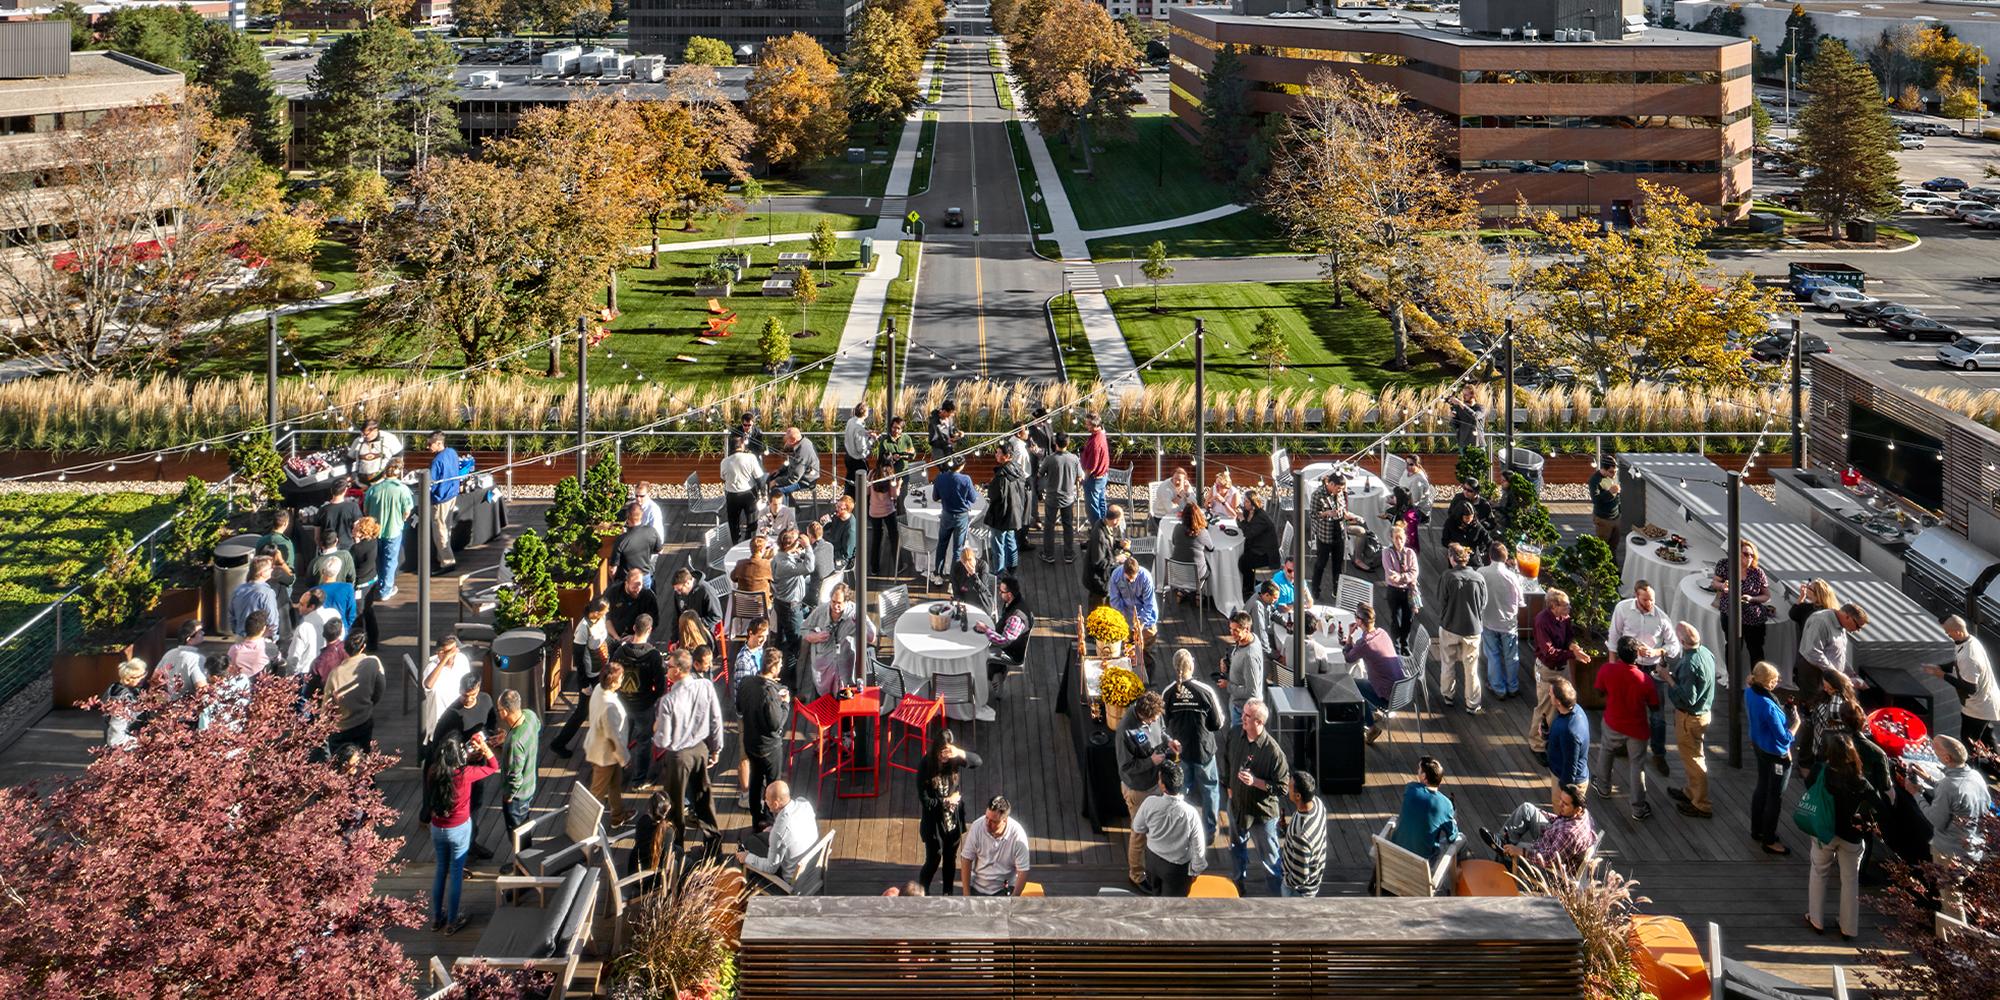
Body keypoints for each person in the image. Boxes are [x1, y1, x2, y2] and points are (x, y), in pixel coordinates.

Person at [422, 733, 498, 934]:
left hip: (438, 827)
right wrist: (484, 748)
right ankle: (453, 921)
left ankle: (437, 919)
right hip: (459, 828)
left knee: (440, 871)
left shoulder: (433, 771)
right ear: (458, 757)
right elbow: (493, 766)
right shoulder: (465, 774)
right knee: (456, 873)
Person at [652, 650, 725, 859]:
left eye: (669, 666)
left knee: (674, 807)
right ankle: (714, 850)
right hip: (700, 750)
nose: (666, 669)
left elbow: (663, 741)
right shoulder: (706, 686)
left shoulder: (668, 701)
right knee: (704, 800)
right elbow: (716, 719)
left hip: (678, 756)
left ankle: (677, 853)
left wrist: (655, 729)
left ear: (677, 670)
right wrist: (716, 748)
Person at [1805, 732, 1877, 941]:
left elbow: (1809, 786)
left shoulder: (1821, 771)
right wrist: (1862, 817)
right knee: (1850, 880)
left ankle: (1816, 919)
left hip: (1824, 831)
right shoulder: (1860, 781)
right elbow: (1878, 804)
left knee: (1819, 873)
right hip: (1851, 835)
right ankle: (1848, 927)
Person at [1609, 581, 1681, 777]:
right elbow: (1614, 637)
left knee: (1657, 716)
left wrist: (1657, 650)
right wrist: (1613, 666)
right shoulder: (1623, 609)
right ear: (1636, 596)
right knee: (1628, 708)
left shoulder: (1661, 618)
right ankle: (1625, 744)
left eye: (1652, 599)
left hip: (1652, 670)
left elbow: (1674, 647)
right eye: (1645, 599)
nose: (1650, 603)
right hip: (1629, 667)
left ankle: (1659, 753)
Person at [1223, 699, 1290, 895]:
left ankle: (1278, 898)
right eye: (1243, 713)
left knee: (1270, 861)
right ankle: (1237, 889)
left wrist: (1256, 782)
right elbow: (1226, 759)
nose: (1242, 718)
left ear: (1259, 722)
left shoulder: (1273, 753)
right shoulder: (1235, 734)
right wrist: (1228, 786)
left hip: (1261, 815)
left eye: (1247, 716)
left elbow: (1283, 788)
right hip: (1236, 806)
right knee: (1236, 849)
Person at [1162, 649, 1225, 844]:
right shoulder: (1205, 691)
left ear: (1175, 667)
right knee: (1210, 790)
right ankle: (1209, 831)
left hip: (1181, 751)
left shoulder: (1169, 692)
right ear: (1193, 665)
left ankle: (1184, 829)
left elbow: (1163, 724)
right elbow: (1218, 723)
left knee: (1181, 790)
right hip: (1204, 750)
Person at [1593, 636, 1659, 821]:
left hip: (1613, 722)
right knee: (1637, 766)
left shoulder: (1607, 670)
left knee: (1606, 751)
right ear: (1636, 656)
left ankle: (1603, 787)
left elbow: (1598, 692)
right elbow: (1655, 706)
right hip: (1637, 729)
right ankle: (1638, 808)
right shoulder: (1644, 679)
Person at [1115, 691, 1175, 888]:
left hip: (1156, 782)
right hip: (1138, 789)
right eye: (1153, 718)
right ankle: (1137, 875)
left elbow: (1162, 730)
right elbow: (1126, 767)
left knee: (1158, 827)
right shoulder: (1125, 730)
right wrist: (1150, 761)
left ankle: (1157, 866)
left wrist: (1169, 741)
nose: (1157, 720)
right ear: (1143, 715)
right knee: (1139, 832)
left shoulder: (1155, 714)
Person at [918, 731, 983, 895]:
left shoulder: (953, 759)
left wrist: (959, 752)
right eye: (942, 752)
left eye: (948, 752)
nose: (945, 757)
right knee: (933, 859)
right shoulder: (926, 765)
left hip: (952, 820)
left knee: (950, 859)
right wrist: (946, 801)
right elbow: (926, 802)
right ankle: (921, 892)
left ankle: (948, 893)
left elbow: (977, 761)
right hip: (934, 824)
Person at [1530, 589, 1591, 765]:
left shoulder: (1564, 618)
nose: (1569, 608)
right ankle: (1537, 744)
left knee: (1561, 705)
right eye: (1565, 605)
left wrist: (1574, 647)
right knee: (1545, 708)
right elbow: (1549, 653)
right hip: (1547, 670)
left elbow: (1569, 637)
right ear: (1553, 606)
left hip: (1561, 667)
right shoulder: (1542, 621)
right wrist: (1573, 656)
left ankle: (1552, 740)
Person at [1746, 661, 1801, 855]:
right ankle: (1768, 839)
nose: (1777, 682)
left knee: (1762, 786)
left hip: (1760, 746)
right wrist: (1797, 723)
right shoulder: (1768, 706)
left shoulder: (1750, 692)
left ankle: (1757, 829)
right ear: (1766, 682)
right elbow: (1784, 737)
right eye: (1774, 680)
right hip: (1776, 754)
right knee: (1775, 796)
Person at [1664, 621, 1717, 819]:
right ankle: (1692, 791)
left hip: (1690, 717)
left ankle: (1701, 804)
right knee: (1694, 755)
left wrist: (1667, 678)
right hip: (1703, 714)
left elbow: (1688, 698)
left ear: (1681, 641)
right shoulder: (1705, 653)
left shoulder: (1689, 664)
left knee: (1694, 760)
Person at [1131, 765, 1208, 897]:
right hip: (1176, 868)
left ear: (1163, 786)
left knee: (1155, 896)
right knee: (1174, 906)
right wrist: (1196, 870)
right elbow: (1198, 847)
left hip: (1152, 860)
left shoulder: (1150, 803)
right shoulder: (1190, 813)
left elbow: (1138, 827)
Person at [1485, 782, 1599, 870]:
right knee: (1527, 809)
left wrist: (1520, 851)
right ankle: (1500, 841)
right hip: (1553, 836)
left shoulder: (1569, 834)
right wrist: (1538, 812)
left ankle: (1500, 862)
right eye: (1561, 800)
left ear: (1577, 809)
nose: (1560, 805)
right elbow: (1559, 820)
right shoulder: (1583, 813)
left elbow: (1549, 860)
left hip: (1547, 856)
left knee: (1511, 847)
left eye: (1565, 804)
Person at [1915, 734, 1992, 863]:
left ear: (1947, 758)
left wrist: (1916, 794)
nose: (1934, 754)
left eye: (1936, 752)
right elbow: (1956, 795)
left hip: (1951, 853)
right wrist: (1928, 779)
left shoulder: (1948, 786)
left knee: (1946, 884)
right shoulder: (1975, 775)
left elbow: (1937, 821)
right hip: (1973, 847)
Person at [549, 599, 612, 757]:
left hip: (602, 669)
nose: (606, 614)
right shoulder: (583, 629)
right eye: (604, 612)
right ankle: (558, 743)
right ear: (596, 612)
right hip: (590, 675)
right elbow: (578, 657)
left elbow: (604, 639)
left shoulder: (600, 619)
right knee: (582, 712)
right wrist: (584, 683)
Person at [735, 645, 790, 822]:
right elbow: (776, 724)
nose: (781, 667)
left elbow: (739, 707)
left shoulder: (746, 682)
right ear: (773, 668)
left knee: (755, 781)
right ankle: (769, 818)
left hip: (751, 743)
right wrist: (784, 704)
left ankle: (756, 818)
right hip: (769, 748)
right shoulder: (770, 693)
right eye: (779, 664)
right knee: (772, 783)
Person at [1930, 616, 2000, 748]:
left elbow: (1970, 688)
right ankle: (1995, 763)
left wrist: (1943, 675)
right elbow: (1958, 664)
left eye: (1948, 632)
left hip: (1978, 707)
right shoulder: (1970, 641)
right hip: (1986, 703)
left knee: (1969, 742)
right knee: (1987, 738)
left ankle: (1972, 766)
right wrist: (1942, 667)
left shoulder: (1969, 656)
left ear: (1958, 632)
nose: (1947, 634)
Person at [1342, 603, 1406, 742]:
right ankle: (1372, 710)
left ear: (1359, 621)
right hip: (1402, 690)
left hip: (1387, 697)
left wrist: (1349, 637)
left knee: (1351, 685)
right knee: (1363, 681)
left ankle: (1371, 727)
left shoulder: (1364, 644)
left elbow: (1348, 657)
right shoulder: (1382, 632)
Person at [737, 781, 820, 888]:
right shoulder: (804, 803)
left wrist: (747, 857)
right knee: (758, 839)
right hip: (812, 870)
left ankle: (744, 883)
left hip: (793, 880)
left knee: (749, 844)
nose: (764, 801)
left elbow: (770, 867)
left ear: (775, 804)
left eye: (766, 799)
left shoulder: (779, 831)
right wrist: (774, 831)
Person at [1437, 543, 1488, 716]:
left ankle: (1448, 695)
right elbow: (1483, 603)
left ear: (1451, 558)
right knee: (1471, 668)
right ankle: (1472, 703)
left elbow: (1441, 600)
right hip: (1472, 629)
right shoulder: (1478, 578)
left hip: (1450, 626)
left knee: (1448, 662)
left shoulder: (1447, 576)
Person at [801, 582, 874, 699]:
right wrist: (816, 636)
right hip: (823, 666)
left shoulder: (855, 612)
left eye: (839, 603)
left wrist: (860, 625)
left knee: (844, 700)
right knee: (823, 697)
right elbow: (804, 629)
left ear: (847, 601)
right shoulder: (821, 611)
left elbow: (871, 638)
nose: (835, 606)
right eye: (833, 602)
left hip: (845, 667)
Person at [1711, 539, 1775, 669]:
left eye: (1752, 555)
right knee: (1733, 647)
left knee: (1756, 650)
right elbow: (1714, 583)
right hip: (1731, 614)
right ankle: (1732, 678)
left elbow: (1766, 596)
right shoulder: (1724, 565)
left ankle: (1758, 682)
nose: (1749, 557)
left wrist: (1752, 598)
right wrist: (1723, 586)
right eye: (1745, 554)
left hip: (1753, 617)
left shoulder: (1757, 573)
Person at [585, 658, 633, 827]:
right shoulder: (610, 706)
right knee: (597, 792)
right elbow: (614, 736)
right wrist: (625, 758)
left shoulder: (598, 689)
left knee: (615, 784)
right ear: (614, 683)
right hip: (604, 756)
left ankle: (617, 815)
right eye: (620, 678)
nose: (622, 680)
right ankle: (586, 827)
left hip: (600, 750)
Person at [322, 633, 385, 752]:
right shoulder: (373, 663)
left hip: (341, 727)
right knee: (362, 756)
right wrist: (370, 702)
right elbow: (380, 687)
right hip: (363, 720)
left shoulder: (335, 673)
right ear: (363, 646)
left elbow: (327, 705)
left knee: (339, 761)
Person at [495, 688, 540, 854]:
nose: (499, 712)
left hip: (517, 797)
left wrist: (508, 796)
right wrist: (505, 738)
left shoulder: (515, 742)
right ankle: (525, 861)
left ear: (505, 711)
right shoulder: (530, 716)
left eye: (499, 709)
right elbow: (537, 728)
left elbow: (515, 778)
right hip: (530, 786)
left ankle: (522, 865)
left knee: (517, 833)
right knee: (525, 827)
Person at [1478, 542, 1525, 701]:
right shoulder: (1511, 576)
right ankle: (1513, 686)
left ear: (1490, 556)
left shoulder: (1481, 572)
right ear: (1506, 558)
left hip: (1488, 620)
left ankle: (1498, 688)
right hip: (1508, 623)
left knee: (1493, 655)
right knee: (1511, 656)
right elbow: (1520, 601)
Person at [959, 795, 1032, 896]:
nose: (987, 823)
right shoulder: (977, 827)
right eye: (986, 818)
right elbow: (966, 859)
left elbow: (1023, 871)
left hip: (1004, 888)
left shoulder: (1018, 836)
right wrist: (966, 895)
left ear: (1005, 820)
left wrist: (1013, 899)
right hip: (977, 887)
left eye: (993, 821)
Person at [1389, 757, 1458, 861]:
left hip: (1395, 855)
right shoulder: (1445, 804)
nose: (1417, 772)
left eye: (1419, 770)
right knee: (1462, 840)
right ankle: (1461, 873)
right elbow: (1452, 837)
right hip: (1421, 865)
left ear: (1424, 777)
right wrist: (1452, 817)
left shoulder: (1411, 788)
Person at [768, 528, 816, 676]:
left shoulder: (780, 557)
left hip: (782, 604)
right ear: (790, 545)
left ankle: (777, 668)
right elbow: (809, 567)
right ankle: (793, 676)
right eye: (797, 540)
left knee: (782, 638)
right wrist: (808, 547)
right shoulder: (784, 565)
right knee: (795, 643)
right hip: (791, 609)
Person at [362, 466, 414, 600]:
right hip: (393, 529)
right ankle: (385, 590)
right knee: (390, 560)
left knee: (377, 558)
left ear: (385, 473)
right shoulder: (403, 489)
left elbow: (365, 510)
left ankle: (377, 585)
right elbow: (407, 511)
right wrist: (400, 519)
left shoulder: (373, 489)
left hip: (374, 531)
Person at [1797, 601, 1869, 694]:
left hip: (1829, 677)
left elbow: (1838, 654)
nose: (1858, 630)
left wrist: (1851, 673)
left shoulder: (1842, 626)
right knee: (1815, 706)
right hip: (1815, 674)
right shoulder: (1821, 621)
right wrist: (1836, 674)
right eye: (1858, 626)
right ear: (1847, 617)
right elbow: (1812, 652)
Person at [974, 576, 1032, 691]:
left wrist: (986, 629)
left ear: (1009, 594)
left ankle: (981, 684)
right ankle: (996, 673)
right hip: (1007, 642)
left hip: (1011, 651)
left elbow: (1004, 641)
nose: (999, 594)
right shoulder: (1015, 601)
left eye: (1002, 592)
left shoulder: (1016, 617)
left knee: (978, 654)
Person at [1309, 474, 1361, 595]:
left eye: (1342, 489)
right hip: (1325, 535)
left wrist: (1347, 516)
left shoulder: (1340, 493)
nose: (1340, 491)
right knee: (1321, 563)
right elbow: (1312, 515)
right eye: (1338, 488)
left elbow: (1342, 510)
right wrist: (1326, 513)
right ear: (1331, 484)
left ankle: (1336, 590)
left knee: (1338, 564)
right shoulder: (1317, 495)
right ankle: (1315, 588)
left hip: (1339, 533)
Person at [983, 442, 1031, 575]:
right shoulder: (1018, 469)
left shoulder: (1001, 477)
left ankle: (999, 572)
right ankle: (1012, 566)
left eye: (998, 453)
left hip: (1001, 515)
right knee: (1010, 540)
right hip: (1015, 513)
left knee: (998, 544)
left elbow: (993, 496)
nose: (996, 455)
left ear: (1007, 456)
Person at [931, 457, 979, 585]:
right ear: (961, 466)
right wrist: (965, 502)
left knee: (942, 545)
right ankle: (954, 580)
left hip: (946, 515)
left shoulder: (940, 478)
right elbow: (973, 499)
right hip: (961, 517)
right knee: (958, 549)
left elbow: (935, 497)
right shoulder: (965, 479)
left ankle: (938, 575)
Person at [419, 634, 472, 748]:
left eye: (455, 649)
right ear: (440, 652)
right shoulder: (431, 667)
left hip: (460, 720)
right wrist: (444, 660)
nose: (454, 653)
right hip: (440, 725)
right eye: (450, 651)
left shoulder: (462, 659)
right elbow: (428, 685)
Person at [1280, 771, 1328, 898]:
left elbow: (1300, 878)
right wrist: (1288, 830)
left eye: (1289, 787)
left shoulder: (1301, 836)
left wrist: (1286, 882)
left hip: (1298, 892)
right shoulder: (1318, 804)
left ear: (1298, 796)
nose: (1287, 787)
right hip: (1314, 878)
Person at [1040, 430, 1083, 563]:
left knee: (1049, 526)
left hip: (1052, 497)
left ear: (1055, 443)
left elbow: (1040, 474)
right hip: (1068, 498)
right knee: (1068, 526)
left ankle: (1049, 554)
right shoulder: (1074, 459)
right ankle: (1068, 554)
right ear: (1068, 444)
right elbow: (1080, 476)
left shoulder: (1050, 459)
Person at [1220, 611, 1264, 726]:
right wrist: (1229, 664)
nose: (1232, 633)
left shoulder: (1250, 657)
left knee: (1238, 742)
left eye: (1236, 631)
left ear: (1247, 629)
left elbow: (1252, 692)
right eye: (1231, 629)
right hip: (1236, 704)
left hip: (1244, 712)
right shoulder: (1248, 639)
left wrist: (1228, 685)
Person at [424, 433, 461, 570]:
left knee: (440, 530)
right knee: (447, 526)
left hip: (440, 498)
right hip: (452, 494)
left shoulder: (436, 461)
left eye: (430, 444)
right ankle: (442, 556)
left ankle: (448, 561)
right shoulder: (452, 452)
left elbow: (430, 481)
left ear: (439, 443)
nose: (427, 447)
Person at [1108, 556, 1159, 654]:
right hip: (1126, 620)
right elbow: (1115, 601)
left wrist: (1141, 622)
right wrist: (1124, 620)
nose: (1131, 581)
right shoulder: (1116, 576)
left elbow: (1149, 604)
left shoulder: (1146, 578)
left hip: (1146, 621)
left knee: (1147, 653)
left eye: (1134, 579)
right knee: (1127, 652)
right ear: (1124, 572)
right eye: (1128, 579)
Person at [1237, 490, 1281, 602]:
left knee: (1244, 561)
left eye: (1246, 501)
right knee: (1244, 554)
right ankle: (1248, 582)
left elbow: (1249, 533)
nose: (1244, 503)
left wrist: (1242, 520)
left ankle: (1249, 587)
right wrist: (1241, 519)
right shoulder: (1249, 512)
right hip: (1257, 546)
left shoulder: (1261, 518)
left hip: (1266, 555)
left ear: (1253, 503)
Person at [1381, 525, 1419, 655]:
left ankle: (1405, 645)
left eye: (1401, 538)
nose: (1399, 541)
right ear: (1392, 539)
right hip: (1394, 591)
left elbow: (1414, 572)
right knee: (1396, 620)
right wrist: (1405, 578)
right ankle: (1396, 647)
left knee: (1408, 620)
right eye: (1396, 538)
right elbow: (1391, 575)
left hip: (1409, 591)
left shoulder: (1410, 553)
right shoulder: (1387, 553)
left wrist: (1402, 577)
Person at [286, 588, 340, 677]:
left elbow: (294, 657)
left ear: (312, 607)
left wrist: (289, 676)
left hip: (306, 673)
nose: (298, 606)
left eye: (302, 604)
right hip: (329, 669)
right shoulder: (334, 615)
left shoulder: (303, 628)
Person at [230, 556, 284, 643]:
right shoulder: (267, 593)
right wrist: (273, 637)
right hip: (260, 639)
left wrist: (237, 632)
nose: (272, 570)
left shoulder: (238, 590)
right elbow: (272, 619)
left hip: (240, 638)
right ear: (262, 573)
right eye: (270, 568)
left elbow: (232, 616)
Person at [720, 438, 763, 543]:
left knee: (733, 523)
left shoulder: (725, 462)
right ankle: (749, 543)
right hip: (749, 494)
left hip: (732, 496)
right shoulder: (751, 458)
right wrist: (763, 493)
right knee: (752, 521)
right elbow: (759, 477)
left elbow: (723, 477)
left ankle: (735, 543)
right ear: (742, 446)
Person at [865, 458, 902, 576]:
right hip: (888, 511)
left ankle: (874, 568)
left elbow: (867, 492)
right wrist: (899, 485)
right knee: (893, 537)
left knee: (876, 539)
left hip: (874, 511)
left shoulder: (871, 474)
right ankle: (898, 565)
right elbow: (894, 495)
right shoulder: (891, 476)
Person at [1083, 504, 1128, 601]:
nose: (1120, 522)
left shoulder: (1102, 523)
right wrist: (1116, 559)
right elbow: (1098, 562)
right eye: (1120, 519)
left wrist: (1119, 544)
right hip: (1098, 582)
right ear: (1115, 520)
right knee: (1098, 612)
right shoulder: (1100, 536)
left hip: (1104, 579)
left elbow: (1107, 545)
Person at [155, 620, 208, 701]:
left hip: (169, 706)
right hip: (188, 707)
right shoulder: (197, 658)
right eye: (199, 632)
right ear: (189, 639)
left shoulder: (169, 654)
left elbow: (154, 679)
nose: (203, 633)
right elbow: (201, 689)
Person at [613, 503, 663, 587]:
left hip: (627, 580)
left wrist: (613, 580)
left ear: (628, 518)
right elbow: (660, 551)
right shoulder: (652, 531)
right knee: (646, 599)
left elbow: (612, 569)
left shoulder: (622, 540)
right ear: (642, 516)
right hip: (645, 577)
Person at [102, 658, 147, 748]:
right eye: (139, 677)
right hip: (126, 749)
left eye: (144, 674)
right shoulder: (124, 700)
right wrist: (142, 742)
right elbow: (116, 739)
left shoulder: (113, 689)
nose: (143, 678)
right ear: (128, 679)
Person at [769, 426, 820, 504]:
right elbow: (792, 462)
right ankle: (795, 509)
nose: (785, 443)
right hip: (800, 476)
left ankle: (784, 514)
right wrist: (780, 470)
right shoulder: (803, 441)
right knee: (773, 477)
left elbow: (794, 478)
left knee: (776, 491)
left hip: (805, 481)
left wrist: (776, 481)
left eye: (786, 440)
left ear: (793, 440)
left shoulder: (802, 452)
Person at [607, 568, 661, 642]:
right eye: (634, 587)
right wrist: (617, 638)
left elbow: (653, 621)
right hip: (615, 636)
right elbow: (607, 618)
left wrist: (635, 636)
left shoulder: (648, 596)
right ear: (626, 583)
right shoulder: (614, 593)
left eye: (640, 585)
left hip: (639, 637)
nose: (638, 590)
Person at [350, 419, 404, 484]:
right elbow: (349, 459)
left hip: (383, 481)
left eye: (367, 434)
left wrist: (390, 473)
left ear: (375, 430)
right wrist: (349, 475)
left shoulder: (389, 438)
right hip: (361, 482)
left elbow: (398, 456)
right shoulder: (359, 440)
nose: (364, 436)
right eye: (363, 434)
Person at [1079, 412, 1110, 523]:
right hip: (1102, 476)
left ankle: (1096, 532)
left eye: (1087, 424)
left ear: (1094, 425)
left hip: (1095, 478)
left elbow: (1092, 466)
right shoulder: (1101, 434)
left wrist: (1084, 479)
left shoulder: (1096, 442)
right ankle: (1104, 527)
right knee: (1101, 504)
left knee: (1092, 509)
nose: (1086, 426)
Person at [1587, 456, 1621, 551]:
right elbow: (1596, 500)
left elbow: (1617, 496)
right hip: (1603, 519)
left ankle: (1613, 563)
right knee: (1602, 548)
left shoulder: (1613, 476)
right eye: (1611, 472)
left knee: (1614, 545)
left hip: (1616, 517)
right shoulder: (1595, 480)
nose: (1614, 475)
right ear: (1603, 469)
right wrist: (1610, 492)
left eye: (1616, 471)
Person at [948, 543, 992, 612]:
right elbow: (956, 590)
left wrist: (973, 575)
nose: (968, 567)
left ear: (974, 558)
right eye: (965, 564)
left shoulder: (983, 565)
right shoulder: (957, 568)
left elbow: (983, 590)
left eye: (971, 563)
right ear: (962, 563)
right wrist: (961, 603)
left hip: (981, 600)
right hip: (965, 600)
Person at [313, 562, 356, 632]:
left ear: (323, 571)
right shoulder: (348, 588)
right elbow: (352, 613)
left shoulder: (313, 591)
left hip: (320, 630)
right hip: (342, 629)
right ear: (338, 572)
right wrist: (348, 630)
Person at [730, 535, 774, 600]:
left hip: (743, 603)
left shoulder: (740, 563)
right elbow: (775, 581)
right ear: (762, 550)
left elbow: (733, 578)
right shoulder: (767, 564)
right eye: (767, 548)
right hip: (762, 605)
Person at [821, 495, 857, 571]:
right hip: (830, 546)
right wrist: (824, 523)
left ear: (846, 510)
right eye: (836, 506)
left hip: (840, 559)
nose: (836, 509)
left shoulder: (850, 530)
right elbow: (830, 525)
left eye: (839, 508)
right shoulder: (838, 516)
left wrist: (826, 554)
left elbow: (846, 555)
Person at [1383, 486, 1423, 555]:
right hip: (1414, 547)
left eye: (1394, 496)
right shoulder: (1411, 510)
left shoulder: (1404, 517)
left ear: (1399, 499)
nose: (1392, 497)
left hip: (1404, 549)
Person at [842, 402, 874, 487]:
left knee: (850, 482)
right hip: (857, 461)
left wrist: (866, 433)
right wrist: (873, 440)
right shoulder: (859, 428)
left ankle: (848, 499)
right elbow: (861, 449)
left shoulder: (850, 421)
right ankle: (859, 500)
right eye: (868, 410)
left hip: (848, 456)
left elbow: (854, 435)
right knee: (861, 486)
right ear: (864, 413)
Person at [1448, 386, 1487, 451]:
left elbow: (1475, 416)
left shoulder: (1480, 408)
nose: (1463, 396)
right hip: (1463, 444)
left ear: (1473, 395)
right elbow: (1455, 426)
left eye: (1466, 395)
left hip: (1478, 444)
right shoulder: (1459, 408)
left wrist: (1460, 403)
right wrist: (1452, 418)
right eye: (1463, 394)